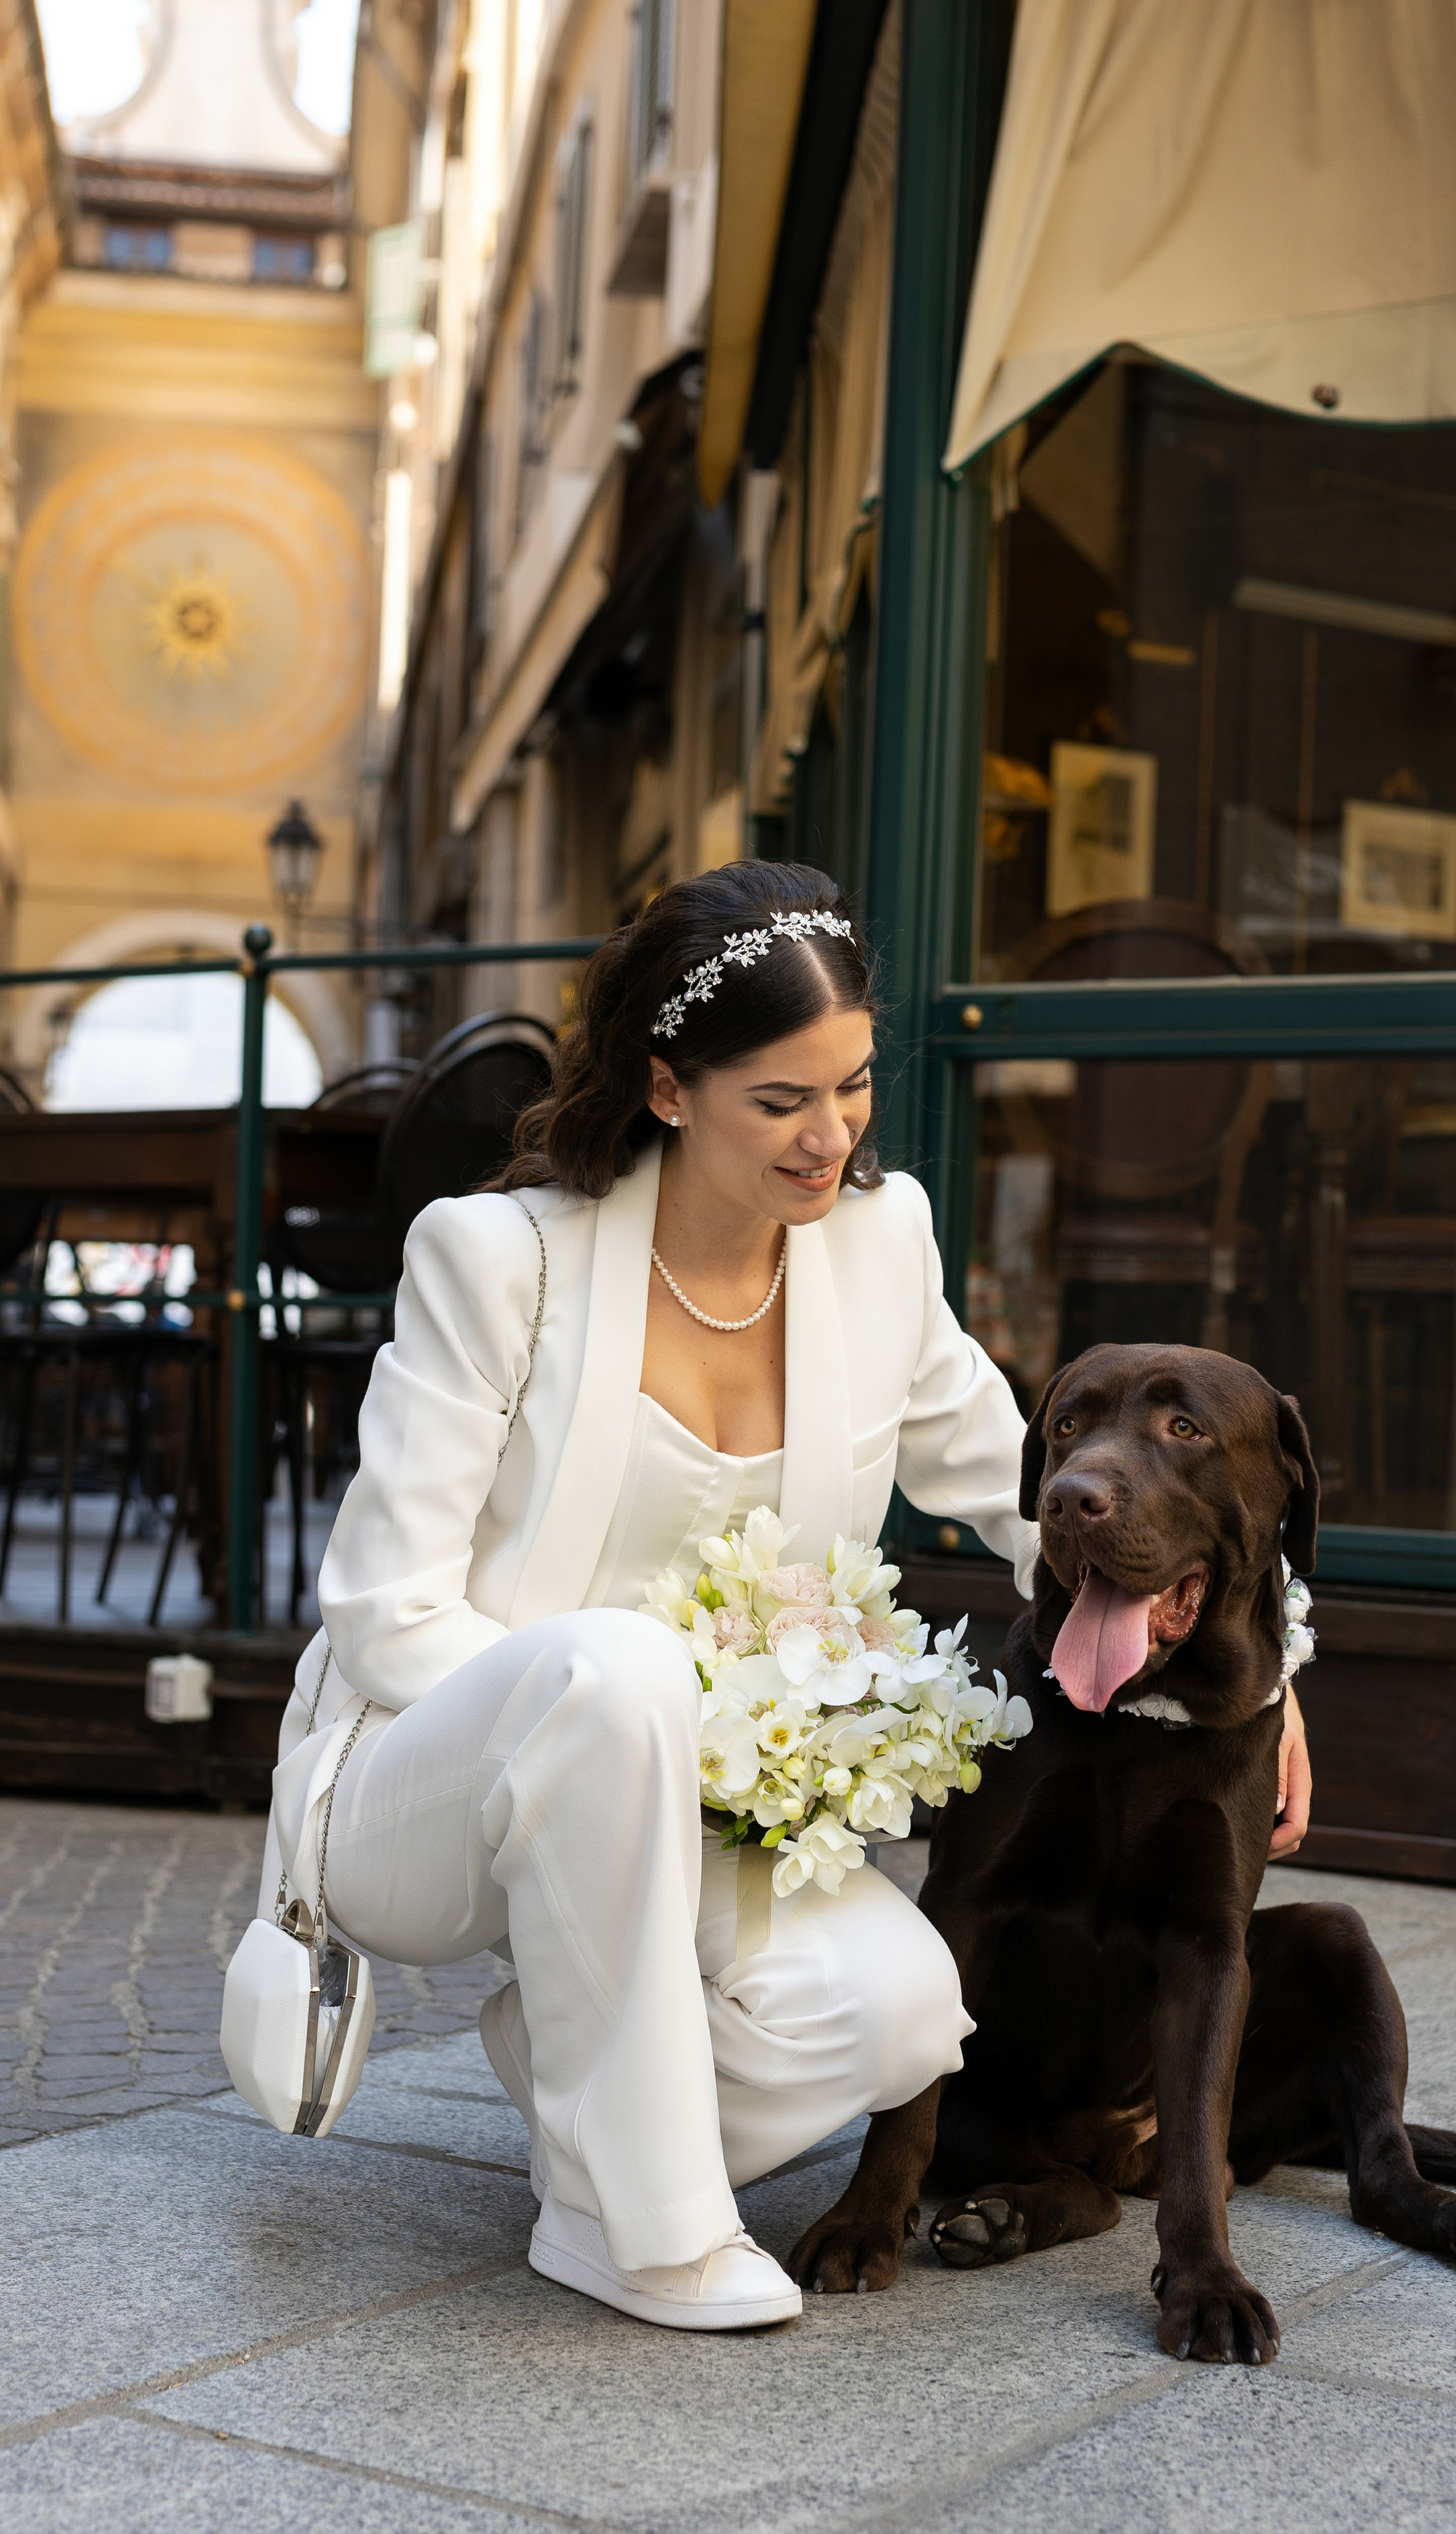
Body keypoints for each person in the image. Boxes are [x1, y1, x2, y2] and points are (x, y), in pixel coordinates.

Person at [262, 861, 1311, 2334]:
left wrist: (1268, 1673)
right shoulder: (495, 1262)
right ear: (669, 1089)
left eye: (854, 1089)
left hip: (692, 1818)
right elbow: (382, 1610)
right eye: (780, 1103)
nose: (831, 1141)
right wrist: (648, 1746)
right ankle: (642, 2229)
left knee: (896, 2015)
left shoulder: (876, 1247)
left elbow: (1034, 1505)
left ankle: (574, 2086)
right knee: (618, 1672)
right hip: (433, 1781)